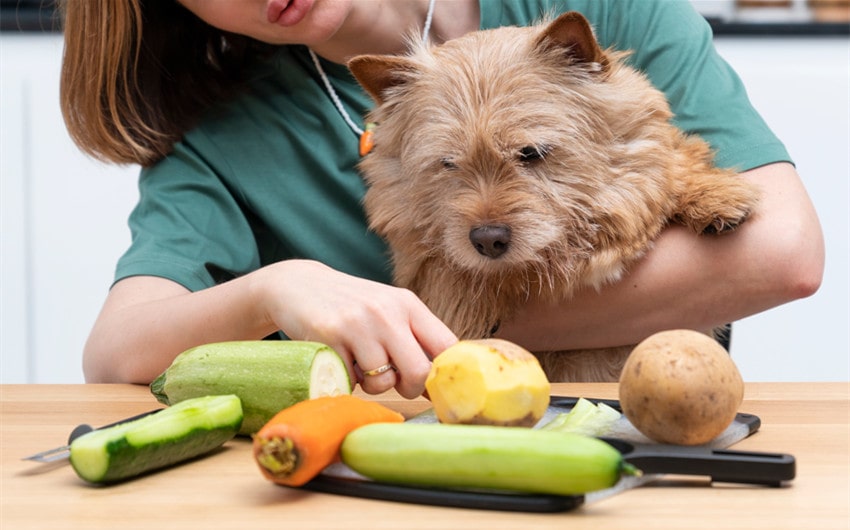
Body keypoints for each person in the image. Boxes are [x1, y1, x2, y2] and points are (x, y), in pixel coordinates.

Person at [59, 0, 824, 397]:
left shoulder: (601, 14)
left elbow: (781, 255)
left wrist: (449, 330)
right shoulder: (220, 134)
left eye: (530, 155)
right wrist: (275, 289)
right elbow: (117, 352)